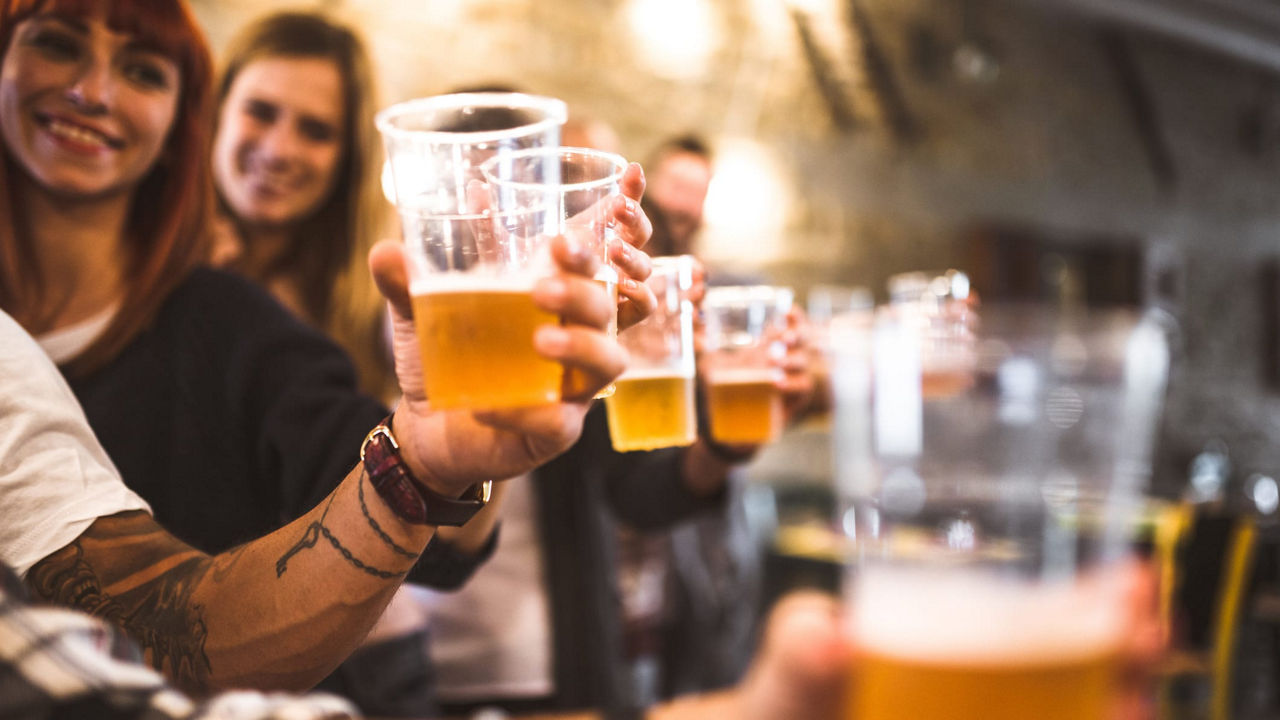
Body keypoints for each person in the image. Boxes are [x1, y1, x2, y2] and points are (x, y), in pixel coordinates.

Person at [0, 0, 642, 694]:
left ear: (179, 120)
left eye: (142, 71)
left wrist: (436, 466)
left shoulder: (248, 327)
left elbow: (427, 529)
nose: (92, 92)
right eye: (58, 44)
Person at [644, 135, 713, 258]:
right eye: (677, 187)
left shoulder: (701, 272)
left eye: (695, 193)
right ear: (648, 181)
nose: (682, 205)